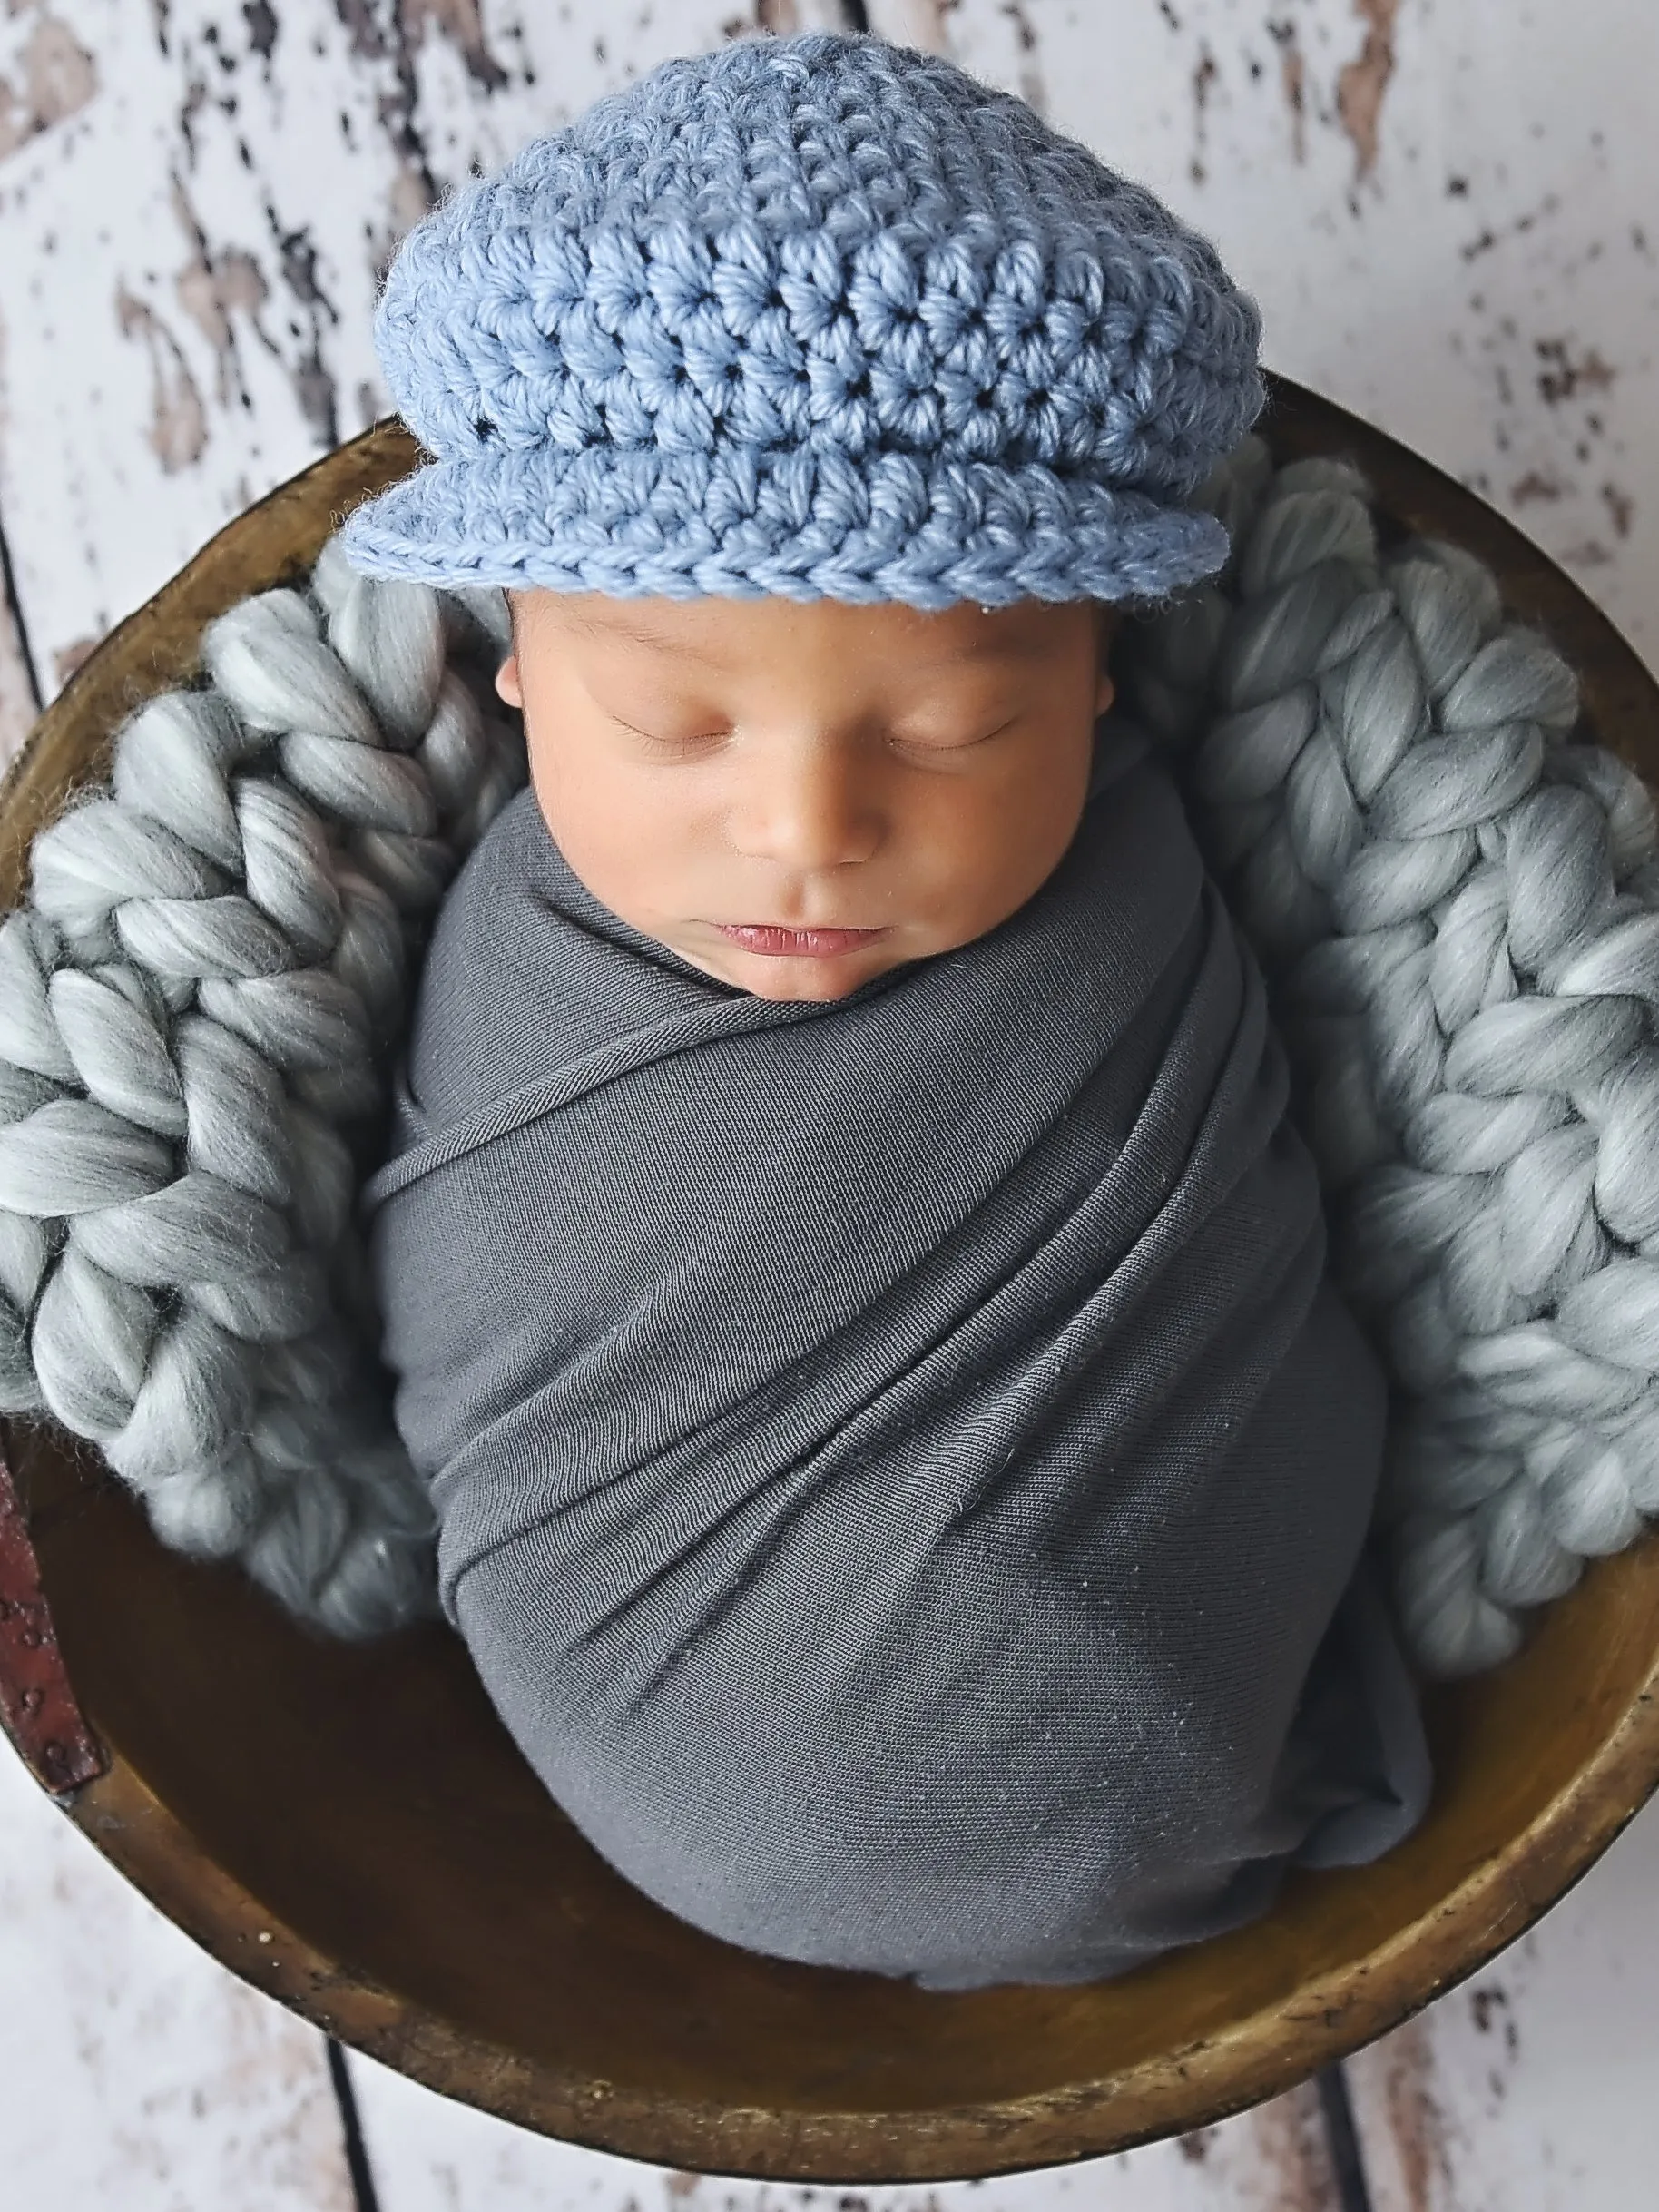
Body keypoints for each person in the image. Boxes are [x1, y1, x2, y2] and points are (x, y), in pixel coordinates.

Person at [343, 25, 1429, 1990]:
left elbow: (1234, 1268)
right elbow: (477, 1336)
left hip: (1171, 1704)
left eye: (957, 727)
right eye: (670, 719)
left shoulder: (1129, 902)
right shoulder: (512, 962)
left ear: (1098, 682)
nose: (806, 832)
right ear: (511, 661)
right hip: (669, 1755)